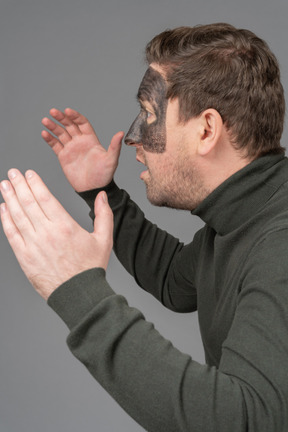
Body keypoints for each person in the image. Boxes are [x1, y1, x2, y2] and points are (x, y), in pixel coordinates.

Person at [1, 22, 288, 431]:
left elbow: (245, 421)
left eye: (149, 114)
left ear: (207, 130)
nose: (134, 137)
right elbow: (177, 281)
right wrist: (103, 193)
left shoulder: (281, 243)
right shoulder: (242, 218)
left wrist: (79, 292)